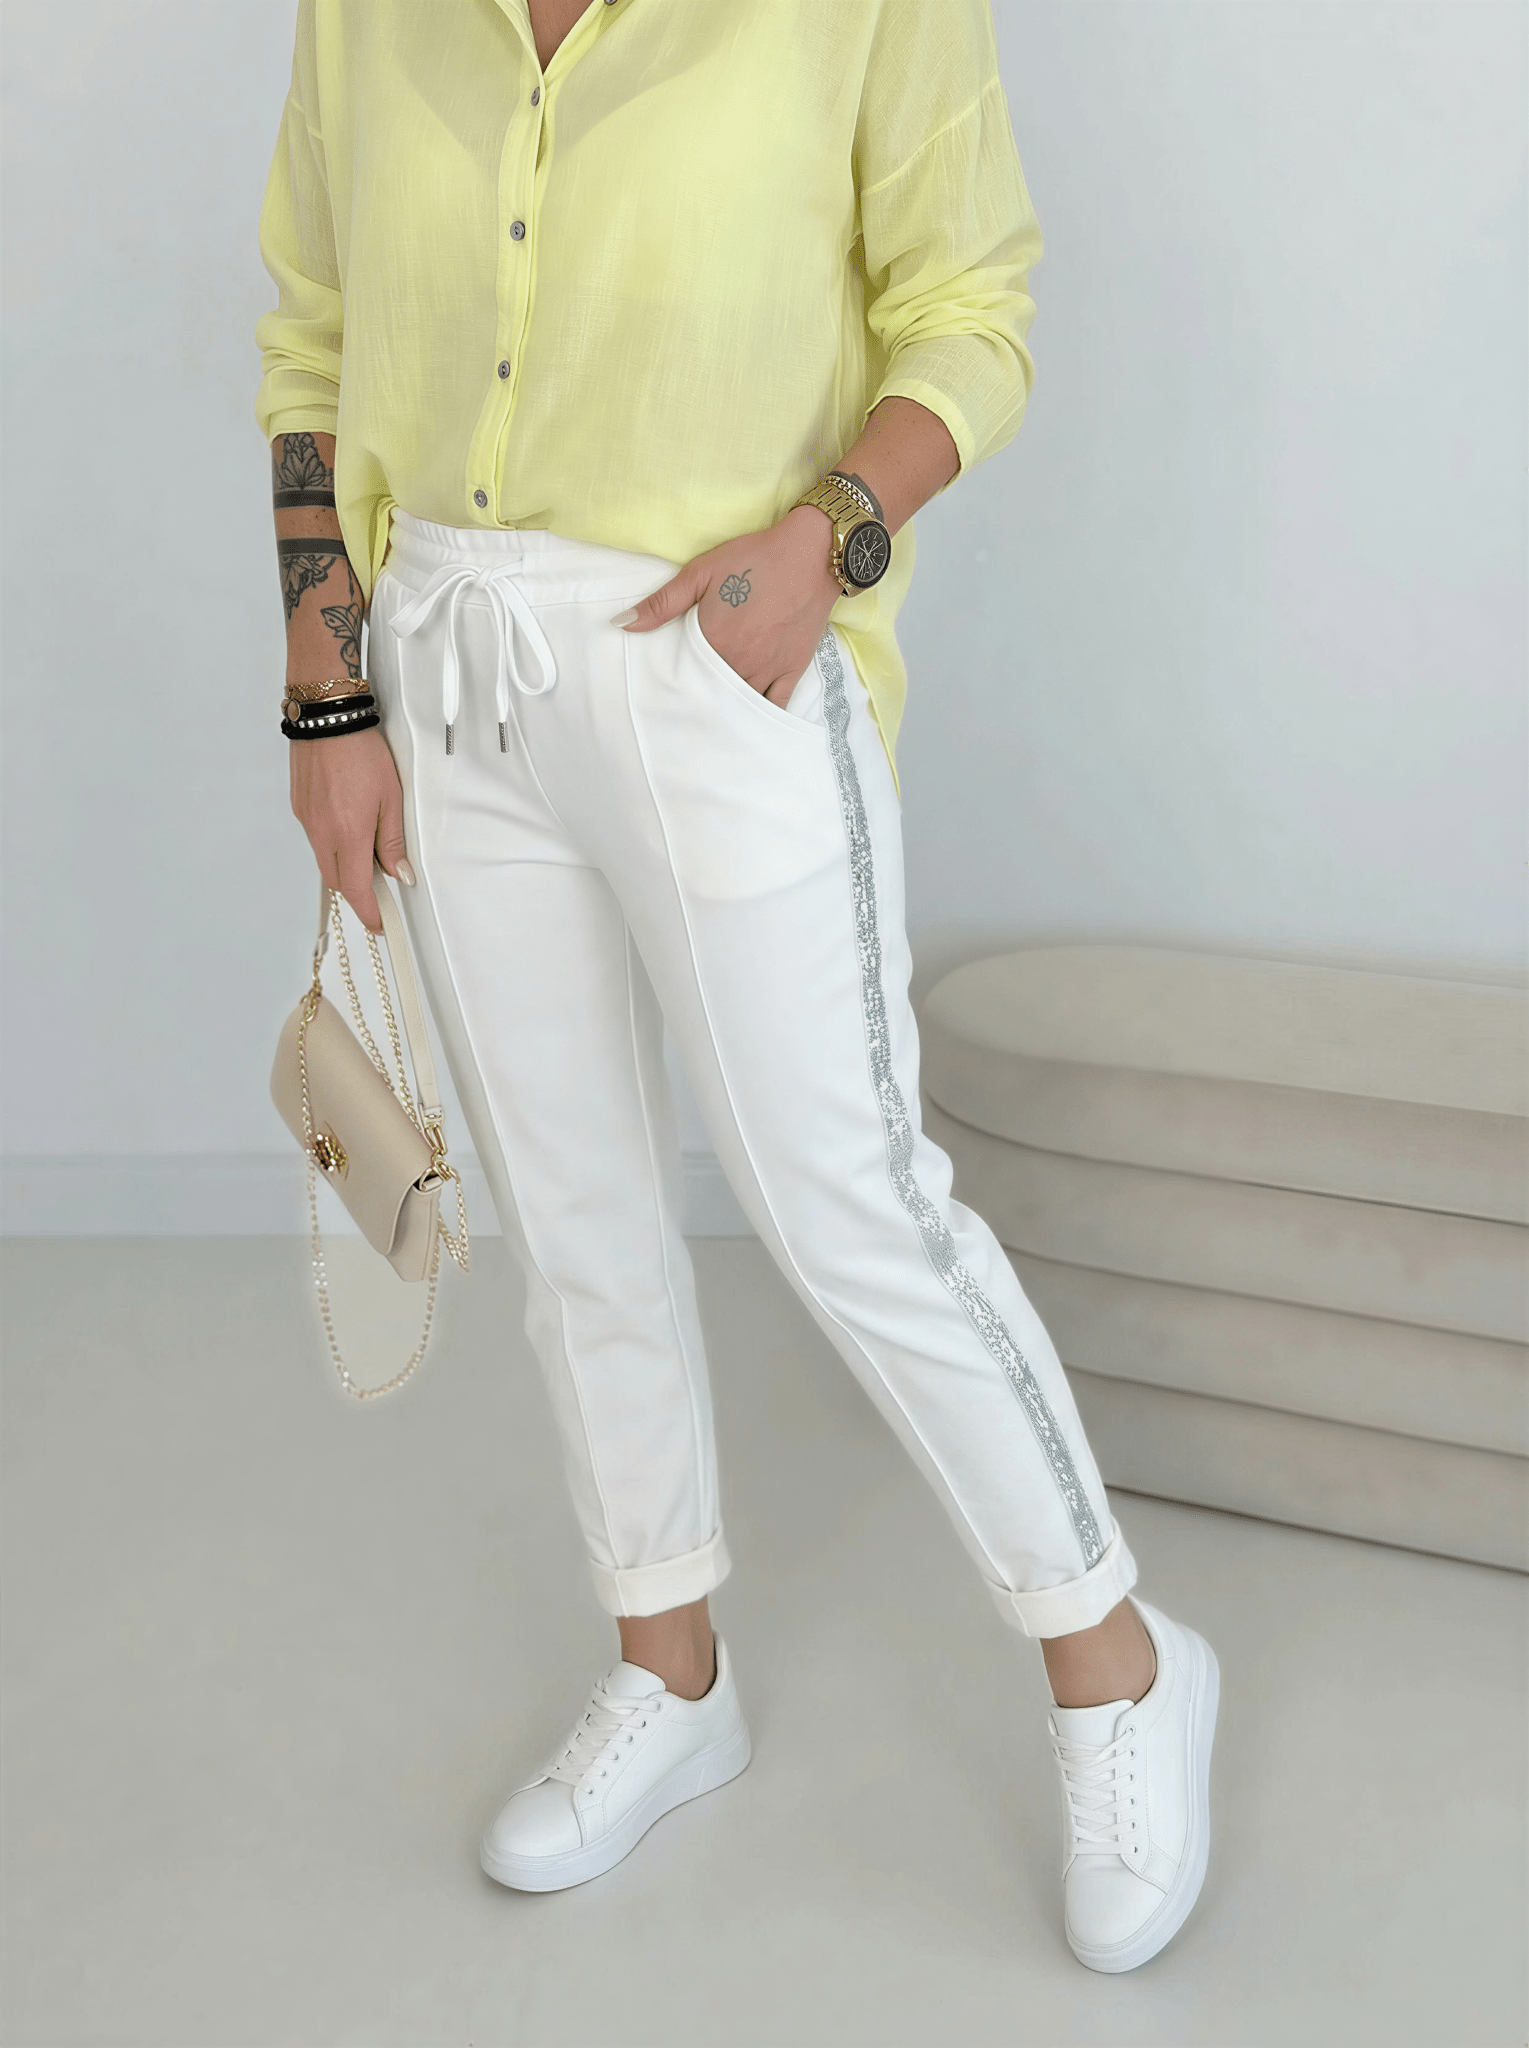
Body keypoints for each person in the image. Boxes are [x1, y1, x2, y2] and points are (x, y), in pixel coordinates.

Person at [255, 0, 1219, 1974]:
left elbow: (971, 306)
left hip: (719, 649)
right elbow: (314, 328)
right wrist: (328, 684)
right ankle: (670, 1669)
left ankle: (1119, 1664)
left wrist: (825, 541)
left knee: (846, 1199)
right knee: (576, 1215)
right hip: (451, 660)